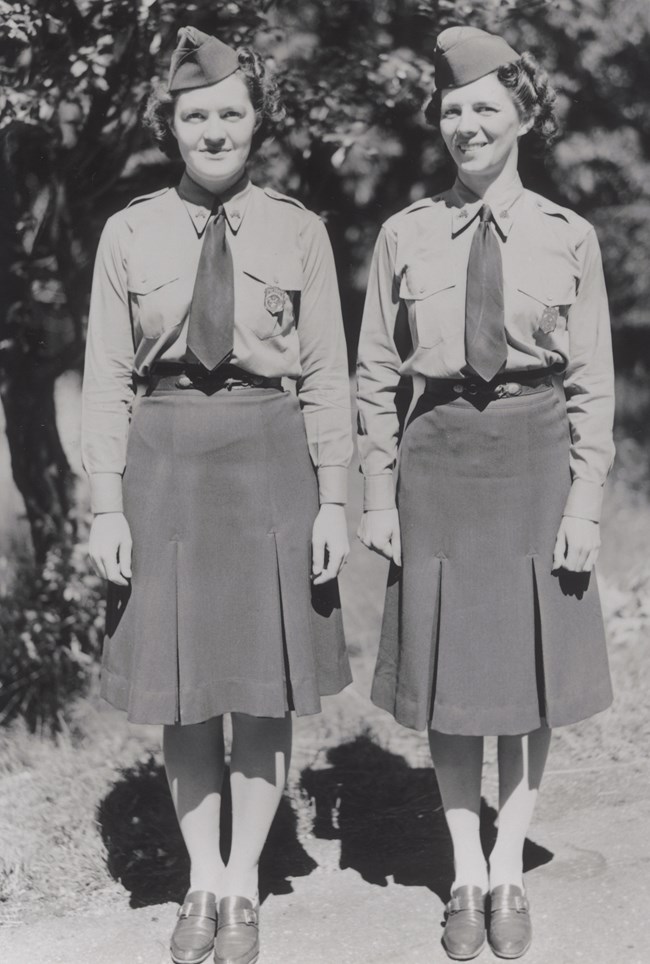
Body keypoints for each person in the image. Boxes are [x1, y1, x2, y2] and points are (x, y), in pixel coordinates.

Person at [82, 26, 352, 964]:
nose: (213, 129)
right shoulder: (129, 230)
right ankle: (201, 875)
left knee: (262, 686)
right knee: (185, 690)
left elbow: (326, 375)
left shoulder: (299, 230)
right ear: (172, 126)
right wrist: (107, 504)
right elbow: (108, 375)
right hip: (163, 464)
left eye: (229, 113)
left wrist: (336, 499)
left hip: (271, 459)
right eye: (196, 115)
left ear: (255, 121)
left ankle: (244, 879)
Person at [356, 25, 614, 962]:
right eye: (452, 109)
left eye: (484, 107)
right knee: (453, 675)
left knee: (531, 675)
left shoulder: (566, 236)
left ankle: (511, 862)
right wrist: (376, 494)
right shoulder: (404, 235)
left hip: (537, 455)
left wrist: (585, 505)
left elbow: (592, 382)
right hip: (438, 460)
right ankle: (465, 866)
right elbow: (375, 372)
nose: (466, 124)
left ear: (523, 115)